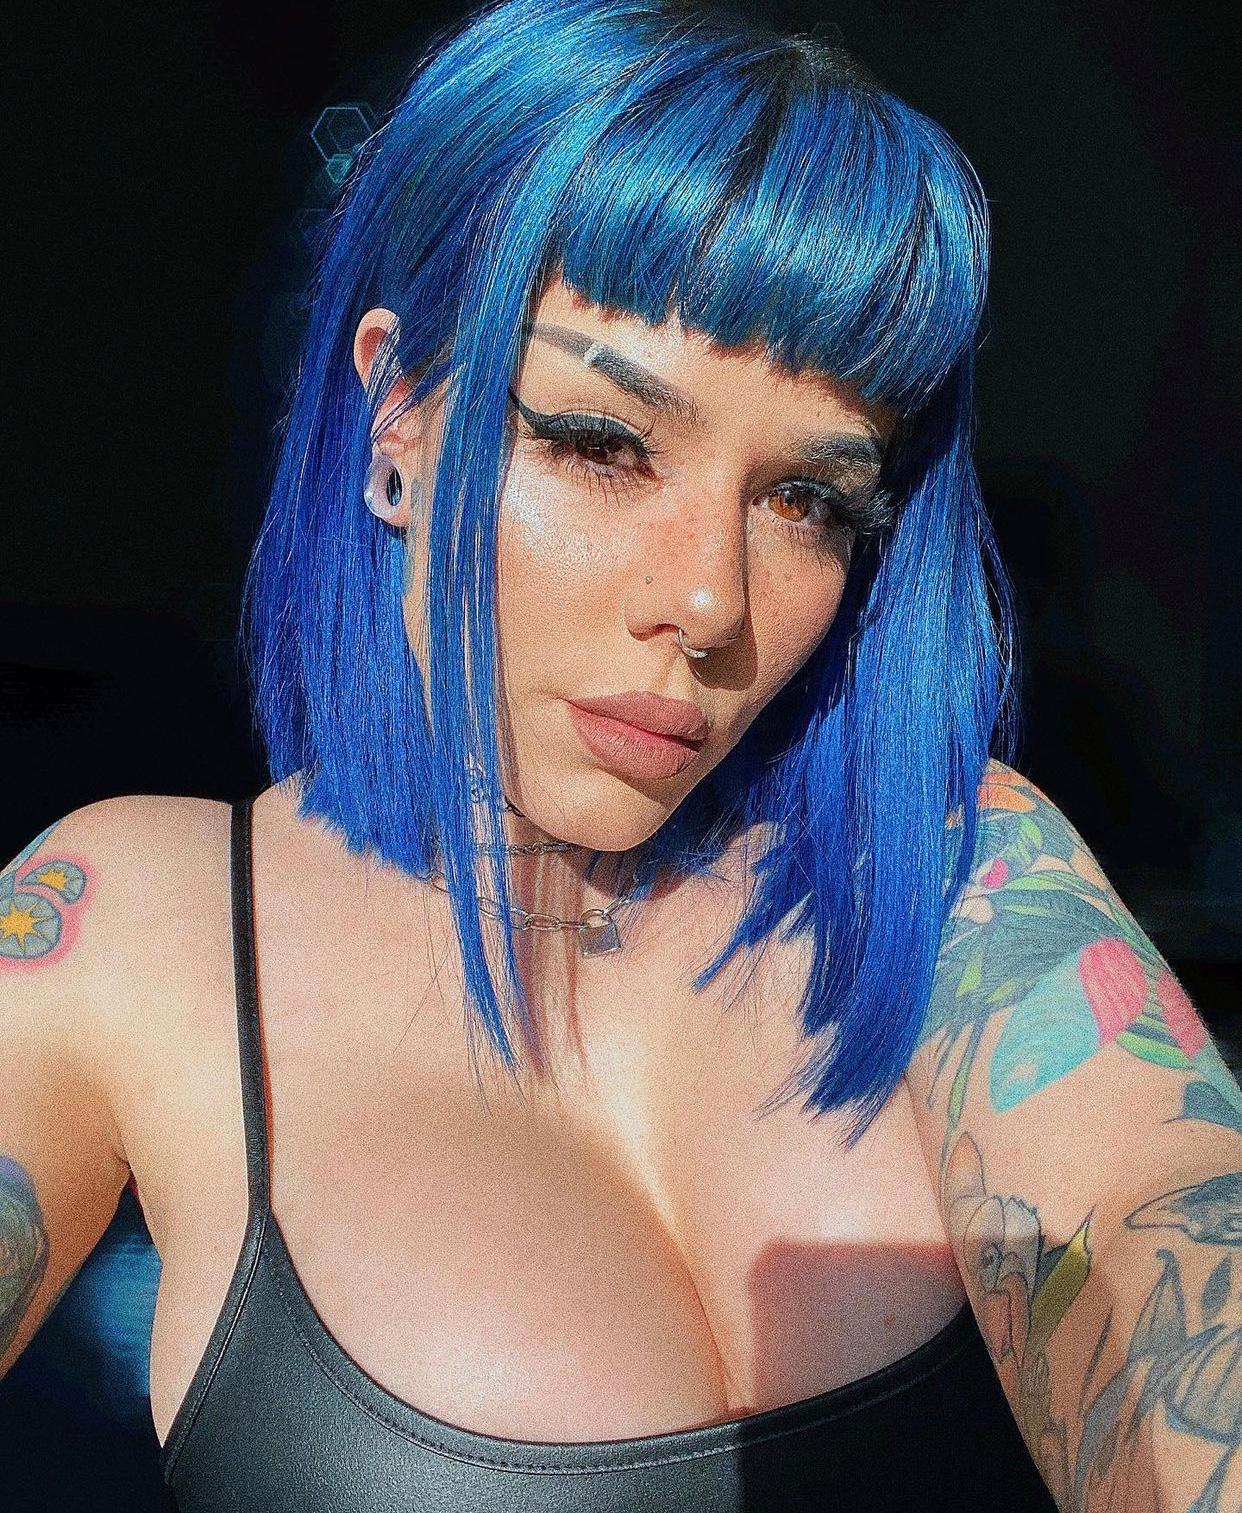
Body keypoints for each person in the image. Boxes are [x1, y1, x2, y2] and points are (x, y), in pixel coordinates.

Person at [2, 0, 1238, 1508]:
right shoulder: (136, 932)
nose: (710, 600)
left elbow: (1172, 1241)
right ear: (397, 410)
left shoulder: (958, 873)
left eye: (807, 500)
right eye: (601, 443)